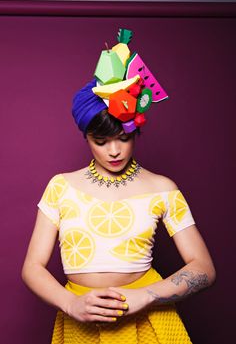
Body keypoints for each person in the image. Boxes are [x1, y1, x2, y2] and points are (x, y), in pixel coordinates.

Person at [21, 29, 216, 344]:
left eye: (123, 139)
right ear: (86, 137)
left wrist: (146, 296)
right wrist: (70, 302)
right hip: (80, 319)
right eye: (101, 141)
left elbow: (205, 269)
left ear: (135, 131)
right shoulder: (60, 187)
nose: (114, 151)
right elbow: (32, 267)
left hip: (148, 322)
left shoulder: (162, 188)